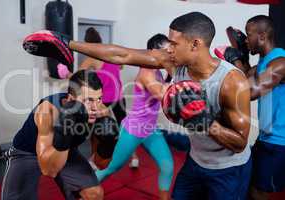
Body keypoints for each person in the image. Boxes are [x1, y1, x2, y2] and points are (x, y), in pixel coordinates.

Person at [23, 11, 252, 199]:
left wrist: (204, 120)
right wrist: (69, 43)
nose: (168, 48)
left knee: (166, 166)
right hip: (195, 159)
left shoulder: (232, 81)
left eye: (173, 43)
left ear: (195, 44)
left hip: (227, 170)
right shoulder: (172, 62)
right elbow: (122, 55)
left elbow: (240, 142)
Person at [1, 70, 106, 200]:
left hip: (65, 149)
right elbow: (49, 170)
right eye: (89, 100)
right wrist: (66, 129)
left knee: (94, 194)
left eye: (99, 99)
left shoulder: (101, 113)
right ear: (71, 99)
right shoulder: (48, 111)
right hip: (26, 153)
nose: (95, 107)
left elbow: (101, 164)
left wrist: (107, 146)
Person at [96, 33, 174, 200]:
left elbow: (169, 83)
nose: (170, 54)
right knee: (110, 168)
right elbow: (162, 94)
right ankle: (83, 192)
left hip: (150, 129)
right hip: (133, 129)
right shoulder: (146, 73)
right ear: (153, 52)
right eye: (167, 51)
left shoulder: (159, 71)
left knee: (167, 166)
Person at [220, 15, 285, 200]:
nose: (246, 40)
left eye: (249, 35)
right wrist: (241, 56)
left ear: (262, 37)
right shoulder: (264, 62)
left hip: (279, 142)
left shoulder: (280, 63)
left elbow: (251, 91)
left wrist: (235, 62)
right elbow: (245, 77)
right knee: (249, 185)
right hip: (266, 138)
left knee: (259, 192)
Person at [78, 27, 129, 169]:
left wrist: (64, 73)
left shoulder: (92, 57)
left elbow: (79, 76)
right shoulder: (110, 53)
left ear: (87, 43)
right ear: (100, 39)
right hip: (119, 97)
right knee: (123, 129)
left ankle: (95, 157)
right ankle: (133, 157)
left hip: (104, 100)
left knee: (96, 129)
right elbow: (122, 67)